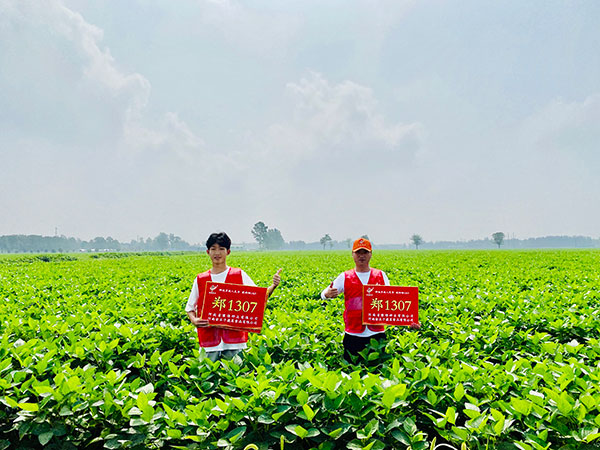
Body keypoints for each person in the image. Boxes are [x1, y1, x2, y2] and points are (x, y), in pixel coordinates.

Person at [185, 232, 281, 361]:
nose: (217, 253)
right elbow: (190, 308)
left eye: (221, 249)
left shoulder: (239, 274)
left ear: (228, 252)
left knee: (235, 376)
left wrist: (273, 286)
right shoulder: (201, 279)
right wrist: (194, 320)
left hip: (235, 341)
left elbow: (259, 298)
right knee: (206, 376)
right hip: (209, 340)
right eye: (213, 249)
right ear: (208, 252)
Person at [321, 237, 419, 362]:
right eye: (358, 252)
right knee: (352, 373)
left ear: (371, 254)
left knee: (377, 373)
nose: (361, 256)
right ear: (352, 255)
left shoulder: (381, 275)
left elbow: (391, 303)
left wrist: (409, 320)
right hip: (353, 335)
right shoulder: (345, 277)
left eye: (365, 252)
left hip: (376, 336)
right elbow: (323, 294)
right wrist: (327, 294)